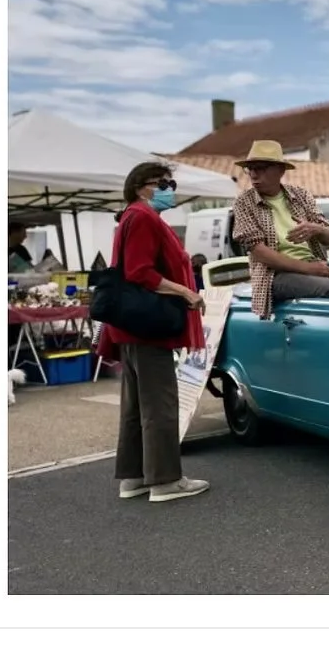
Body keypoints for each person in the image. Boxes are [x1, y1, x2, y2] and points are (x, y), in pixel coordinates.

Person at [97, 162, 210, 504]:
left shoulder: (131, 216)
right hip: (148, 327)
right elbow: (140, 272)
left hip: (129, 327)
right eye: (164, 183)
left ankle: (133, 477)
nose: (170, 188)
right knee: (160, 404)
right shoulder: (144, 218)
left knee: (135, 406)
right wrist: (186, 292)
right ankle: (164, 480)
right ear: (142, 187)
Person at [230, 140, 329, 318]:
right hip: (274, 275)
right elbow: (259, 253)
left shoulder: (300, 195)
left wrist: (316, 229)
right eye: (249, 169)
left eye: (260, 168)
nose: (253, 175)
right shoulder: (243, 202)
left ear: (280, 171)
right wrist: (309, 268)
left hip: (313, 263)